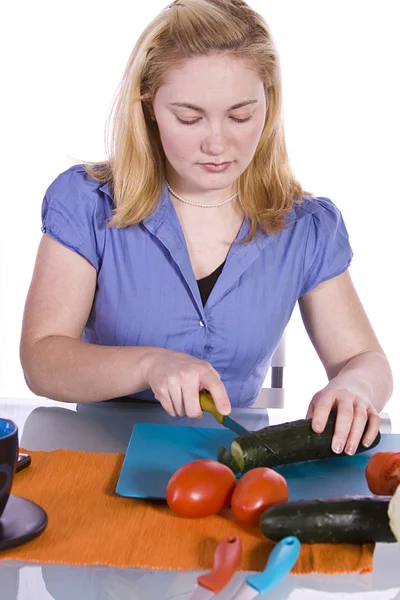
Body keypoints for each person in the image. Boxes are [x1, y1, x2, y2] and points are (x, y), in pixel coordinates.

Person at [20, 0, 392, 458]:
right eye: (189, 117)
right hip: (98, 461)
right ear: (149, 106)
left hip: (230, 465)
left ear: (268, 104)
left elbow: (365, 360)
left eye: (240, 115)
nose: (218, 143)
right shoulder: (86, 201)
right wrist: (148, 364)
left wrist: (356, 388)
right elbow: (41, 360)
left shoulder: (307, 226)